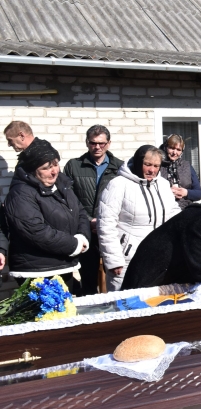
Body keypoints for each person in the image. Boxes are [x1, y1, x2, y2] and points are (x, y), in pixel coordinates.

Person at [4, 139, 90, 291]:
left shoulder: (61, 185)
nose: (54, 171)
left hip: (63, 265)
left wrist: (82, 237)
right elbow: (35, 231)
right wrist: (73, 244)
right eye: (46, 168)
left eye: (56, 164)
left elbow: (80, 212)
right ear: (32, 170)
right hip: (37, 271)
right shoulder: (21, 194)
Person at [97, 145, 181, 291]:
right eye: (147, 164)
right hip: (127, 259)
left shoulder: (163, 185)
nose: (152, 170)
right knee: (125, 304)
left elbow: (174, 214)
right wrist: (113, 260)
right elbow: (106, 224)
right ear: (138, 162)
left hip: (159, 257)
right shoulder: (118, 184)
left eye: (156, 166)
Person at [64, 125, 124, 296]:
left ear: (109, 143)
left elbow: (124, 200)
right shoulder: (74, 166)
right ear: (87, 143)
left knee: (115, 276)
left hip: (111, 231)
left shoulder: (120, 168)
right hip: (85, 230)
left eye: (101, 143)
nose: (97, 147)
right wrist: (88, 220)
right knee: (88, 278)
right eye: (93, 143)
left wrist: (103, 221)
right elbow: (69, 198)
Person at [159, 134, 201, 209]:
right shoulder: (158, 165)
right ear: (166, 147)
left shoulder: (187, 166)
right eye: (172, 148)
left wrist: (186, 192)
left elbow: (199, 193)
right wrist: (167, 192)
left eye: (178, 150)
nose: (175, 152)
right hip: (164, 210)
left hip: (185, 210)